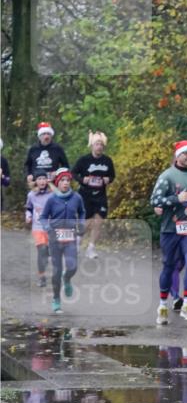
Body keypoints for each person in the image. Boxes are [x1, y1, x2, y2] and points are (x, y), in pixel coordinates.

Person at [150, 140, 187, 324]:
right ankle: (162, 305)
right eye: (186, 154)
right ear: (177, 155)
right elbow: (155, 200)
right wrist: (176, 198)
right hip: (170, 229)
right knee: (168, 267)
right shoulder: (167, 176)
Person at [39, 168, 85, 314]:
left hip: (70, 236)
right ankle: (56, 299)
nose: (65, 183)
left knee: (72, 267)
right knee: (56, 271)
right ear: (58, 183)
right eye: (62, 181)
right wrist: (47, 228)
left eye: (68, 180)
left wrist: (81, 223)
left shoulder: (76, 197)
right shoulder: (52, 199)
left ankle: (67, 279)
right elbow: (44, 217)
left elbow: (82, 211)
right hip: (55, 238)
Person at [71, 131, 116, 259]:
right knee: (87, 222)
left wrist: (109, 179)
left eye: (101, 144)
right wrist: (82, 180)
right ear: (92, 145)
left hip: (100, 195)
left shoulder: (107, 161)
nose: (99, 147)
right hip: (85, 194)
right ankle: (77, 242)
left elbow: (112, 175)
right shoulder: (84, 160)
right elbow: (73, 173)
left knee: (98, 221)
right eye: (97, 144)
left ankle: (91, 248)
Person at [25, 174, 53, 287]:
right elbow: (29, 208)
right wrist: (28, 216)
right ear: (36, 181)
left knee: (46, 253)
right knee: (41, 251)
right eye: (39, 179)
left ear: (47, 180)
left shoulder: (52, 194)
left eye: (43, 178)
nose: (42, 181)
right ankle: (42, 277)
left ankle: (47, 257)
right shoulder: (31, 195)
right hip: (37, 227)